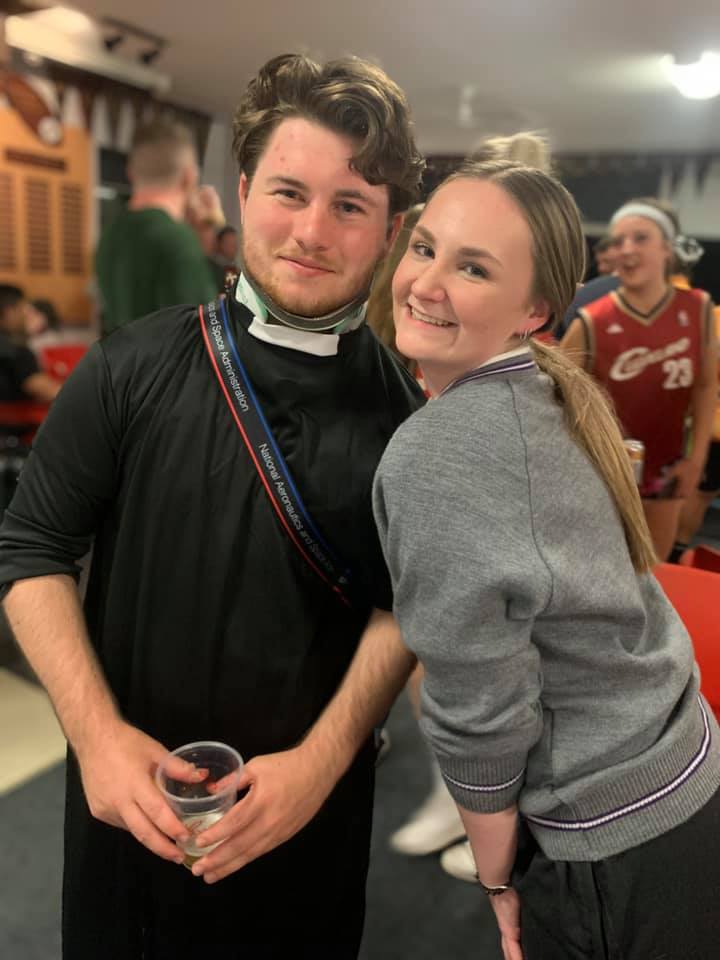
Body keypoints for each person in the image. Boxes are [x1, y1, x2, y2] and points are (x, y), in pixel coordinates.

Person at [0, 53, 425, 959]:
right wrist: (96, 737)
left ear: (390, 232)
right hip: (127, 805)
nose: (311, 231)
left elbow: (404, 609)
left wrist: (320, 764)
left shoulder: (413, 425)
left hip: (308, 813)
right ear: (240, 193)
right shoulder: (130, 366)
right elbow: (30, 545)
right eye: (288, 192)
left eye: (350, 206)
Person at [372, 159, 720, 960]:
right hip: (679, 770)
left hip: (613, 834)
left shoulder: (434, 453)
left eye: (472, 268)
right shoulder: (550, 389)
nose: (425, 283)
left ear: (534, 310)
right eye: (425, 247)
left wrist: (497, 881)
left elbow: (479, 712)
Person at [561, 197, 717, 561]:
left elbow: (706, 386)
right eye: (619, 241)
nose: (627, 249)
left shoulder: (698, 311)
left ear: (667, 248)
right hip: (603, 471)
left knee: (652, 570)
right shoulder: (591, 321)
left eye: (641, 238)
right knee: (596, 567)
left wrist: (696, 461)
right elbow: (556, 400)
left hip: (667, 467)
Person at [95, 120, 217, 335]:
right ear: (189, 177)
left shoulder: (110, 234)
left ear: (131, 172)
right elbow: (204, 336)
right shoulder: (177, 239)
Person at [0, 285, 61, 405]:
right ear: (9, 311)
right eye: (22, 309)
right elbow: (49, 391)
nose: (26, 315)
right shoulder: (16, 351)